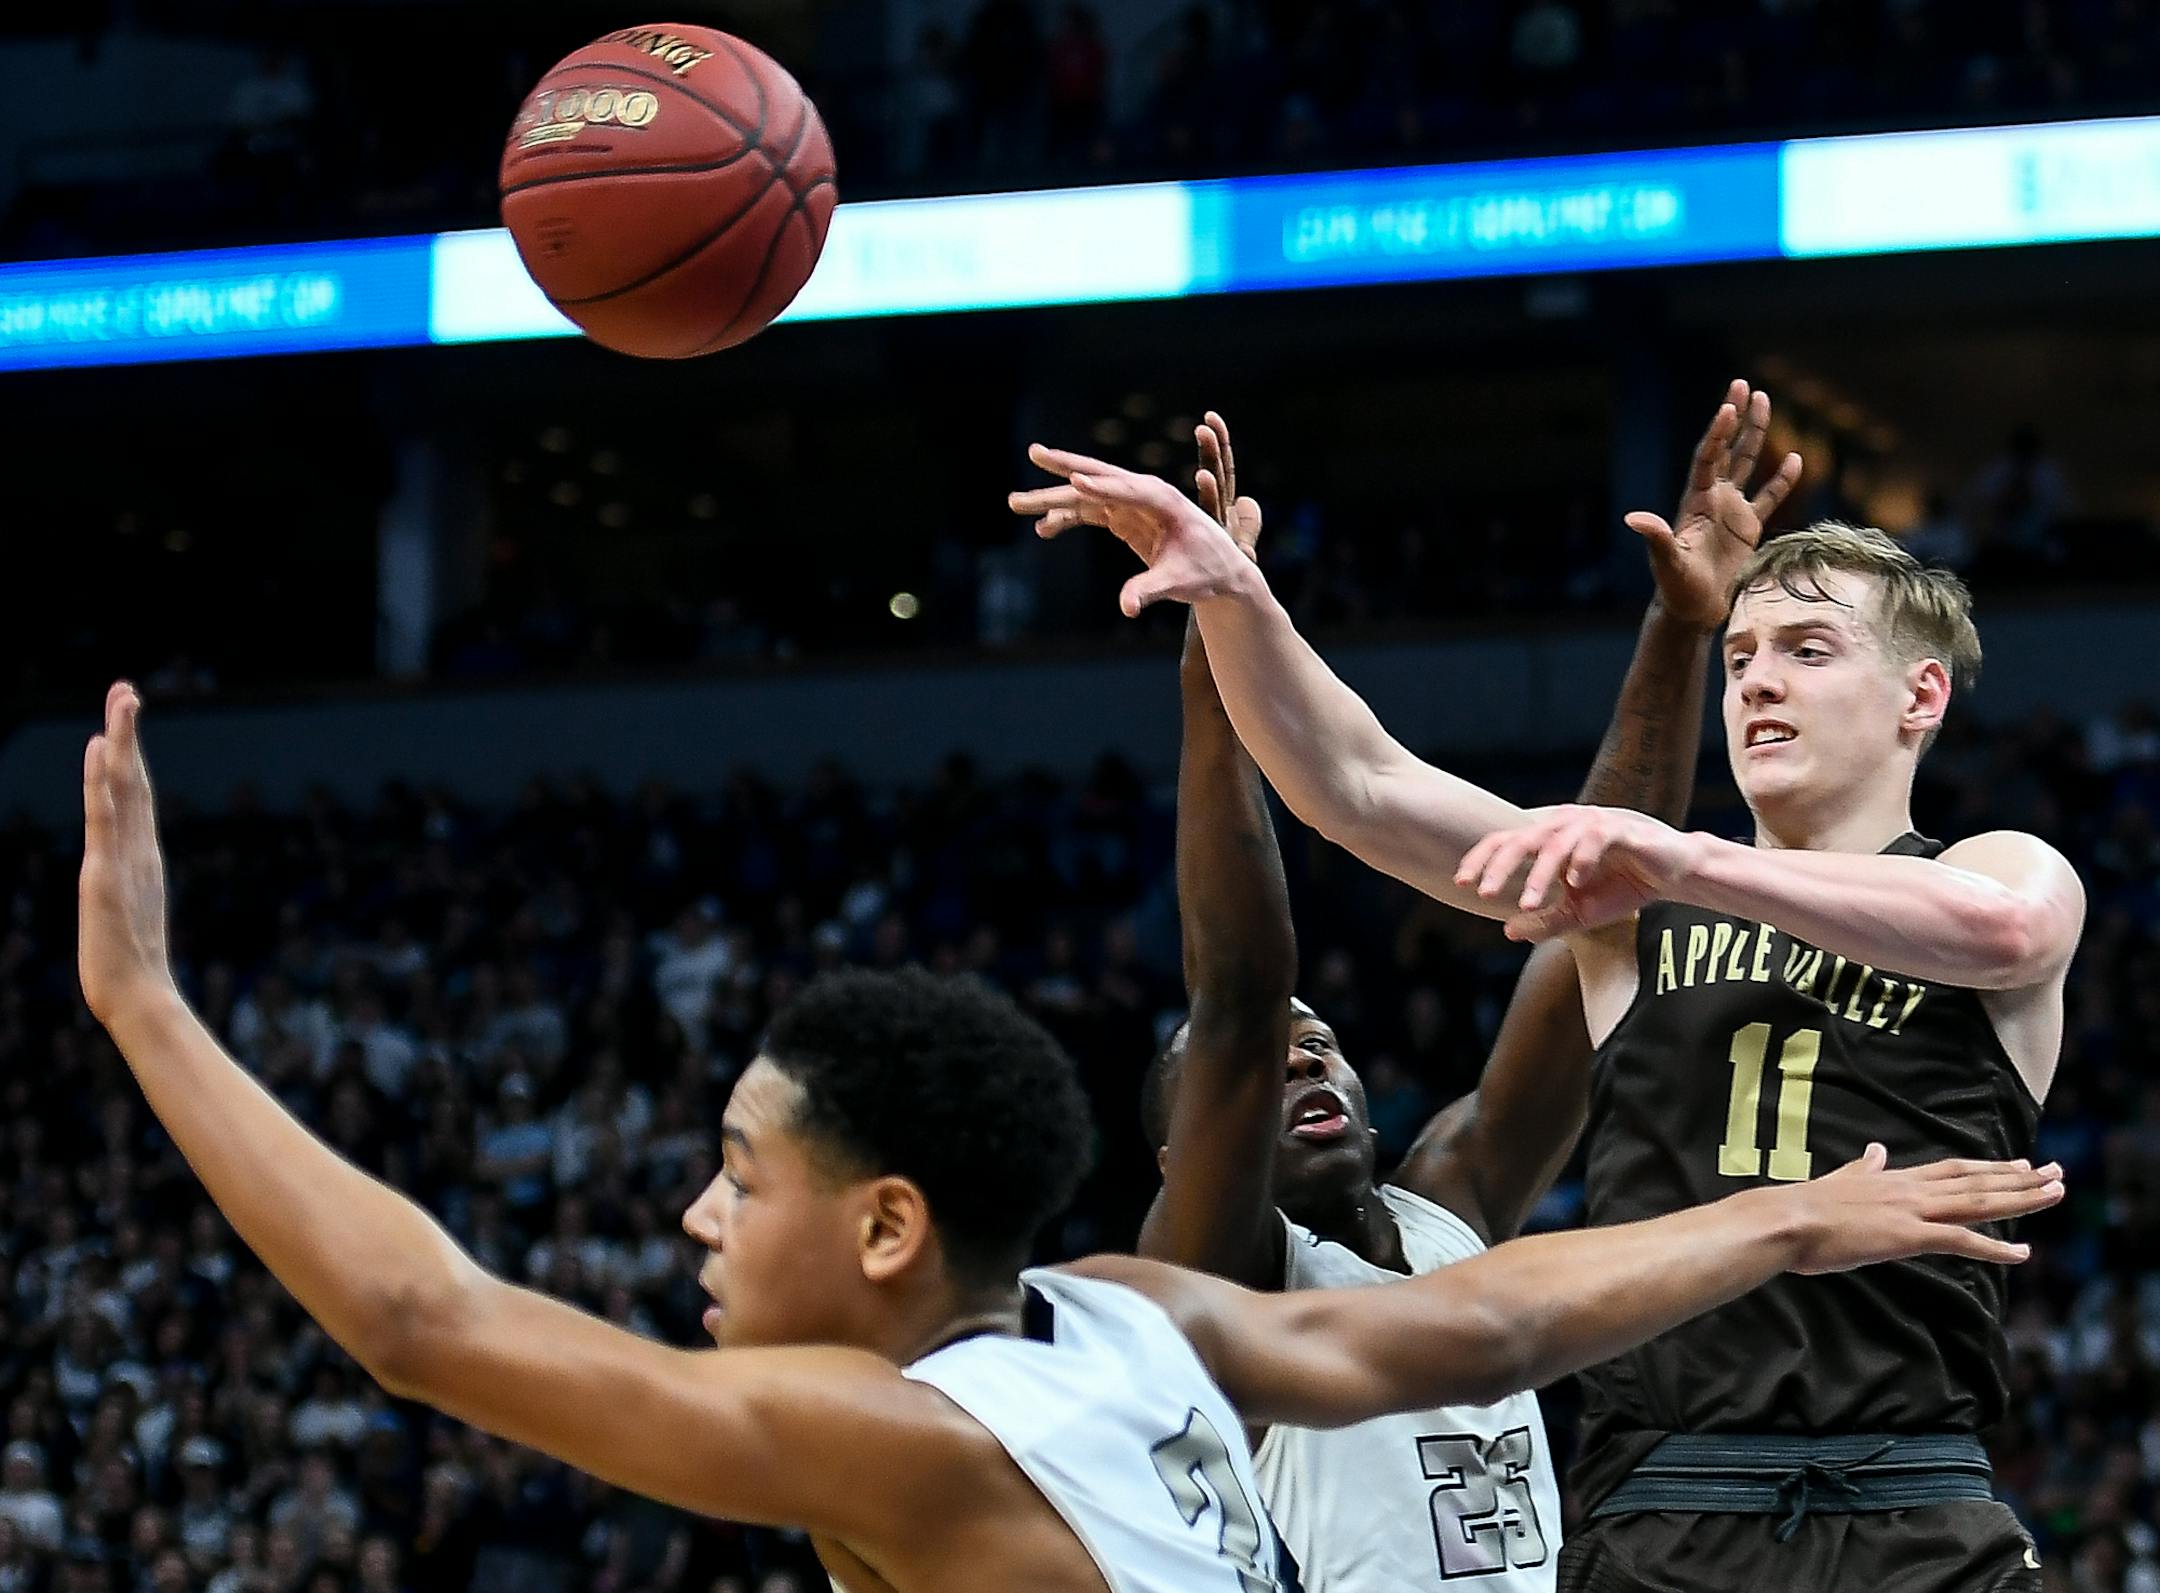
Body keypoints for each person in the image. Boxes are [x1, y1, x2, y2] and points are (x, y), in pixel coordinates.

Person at [79, 684, 2063, 1593]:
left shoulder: (909, 1441)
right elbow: (1476, 1329)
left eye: (739, 1169)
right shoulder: (1122, 1317)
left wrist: (151, 1012)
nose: (694, 1208)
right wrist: (1781, 1220)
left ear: (883, 1229)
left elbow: (427, 1323)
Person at [1017, 401, 2085, 1593]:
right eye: (1739, 657)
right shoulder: (1635, 902)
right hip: (1665, 1511)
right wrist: (1235, 601)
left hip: (1914, 1504)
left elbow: (2009, 933)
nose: (1756, 684)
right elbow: (1362, 786)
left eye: (1808, 652)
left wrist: (1686, 859)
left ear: (1920, 697)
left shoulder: (1986, 866)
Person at [1141, 392, 1795, 1591]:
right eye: (1249, 1071)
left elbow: (1596, 899)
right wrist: (1213, 664)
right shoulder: (1219, 1274)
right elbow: (1237, 990)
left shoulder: (1452, 1206)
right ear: (1186, 1159)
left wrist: (1679, 627)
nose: (1299, 1060)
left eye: (1321, 1043)